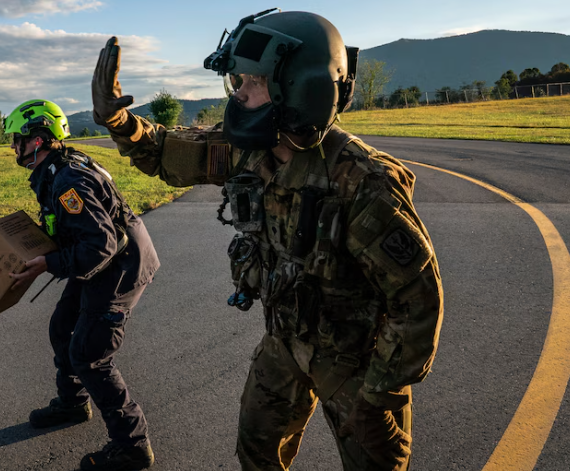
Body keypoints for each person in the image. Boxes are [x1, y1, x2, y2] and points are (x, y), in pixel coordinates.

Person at [92, 9, 443, 471]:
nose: (238, 95)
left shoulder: (361, 182)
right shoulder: (250, 153)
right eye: (237, 82)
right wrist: (119, 121)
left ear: (298, 91)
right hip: (286, 341)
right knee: (257, 450)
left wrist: (380, 390)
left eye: (250, 83)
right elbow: (167, 154)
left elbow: (418, 302)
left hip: (356, 362)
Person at [6, 100, 160, 471]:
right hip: (101, 260)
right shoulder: (58, 169)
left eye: (18, 140)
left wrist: (49, 263)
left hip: (119, 266)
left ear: (39, 140)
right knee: (62, 326)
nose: (13, 147)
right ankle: (73, 403)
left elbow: (100, 244)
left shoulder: (67, 180)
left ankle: (132, 447)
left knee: (90, 354)